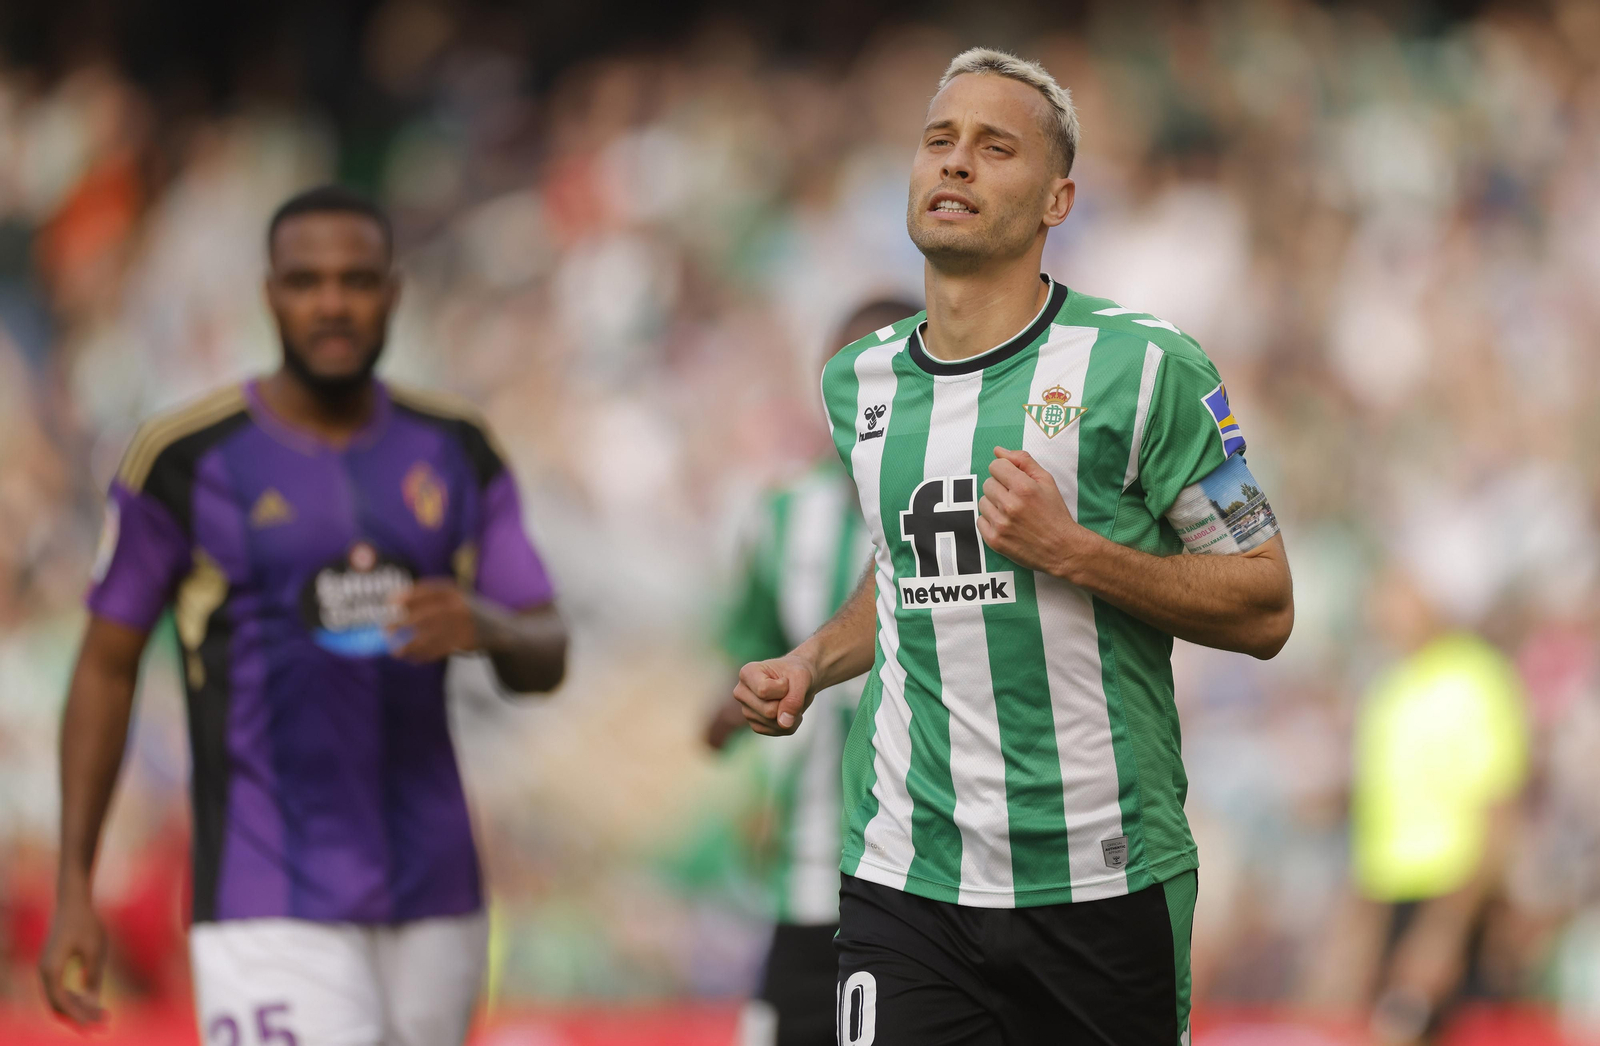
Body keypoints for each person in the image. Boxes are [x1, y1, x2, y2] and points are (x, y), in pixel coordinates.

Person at [732, 49, 1294, 1046]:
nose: (954, 165)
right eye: (938, 142)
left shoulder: (1145, 366)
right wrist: (810, 662)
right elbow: (904, 567)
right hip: (907, 872)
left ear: (1056, 199)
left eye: (995, 148)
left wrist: (1074, 550)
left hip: (1101, 875)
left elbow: (1265, 601)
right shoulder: (856, 382)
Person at [38, 185, 568, 1046]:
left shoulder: (456, 449)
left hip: (437, 894)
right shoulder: (183, 460)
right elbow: (105, 663)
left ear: (393, 294)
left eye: (357, 281)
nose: (332, 303)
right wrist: (75, 884)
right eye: (306, 280)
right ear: (269, 294)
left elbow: (546, 648)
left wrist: (491, 625)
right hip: (265, 895)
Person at [706, 298, 922, 1046]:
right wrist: (730, 713)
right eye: (844, 374)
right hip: (809, 869)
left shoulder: (965, 501)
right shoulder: (781, 515)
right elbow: (752, 654)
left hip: (933, 867)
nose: (862, 397)